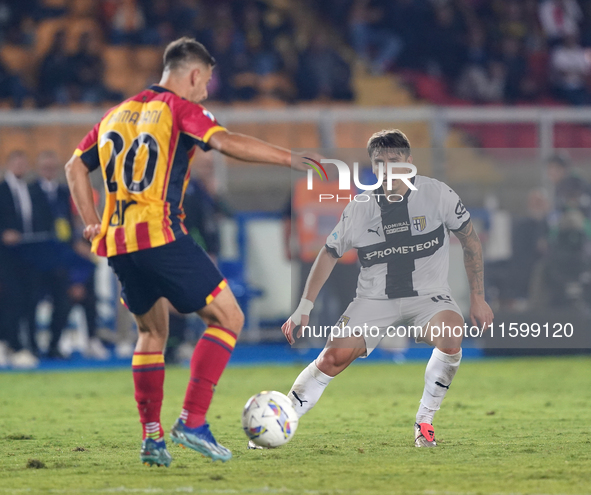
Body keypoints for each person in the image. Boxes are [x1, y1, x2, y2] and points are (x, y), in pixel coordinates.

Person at [65, 37, 305, 467]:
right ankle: (192, 421)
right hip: (160, 235)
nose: (206, 91)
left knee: (151, 333)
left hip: (119, 244)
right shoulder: (179, 108)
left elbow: (74, 168)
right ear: (193, 74)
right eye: (206, 81)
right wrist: (290, 158)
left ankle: (152, 439)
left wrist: (92, 220)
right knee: (229, 317)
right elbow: (226, 141)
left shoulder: (114, 115)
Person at [278, 129, 494, 448]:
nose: (387, 168)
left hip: (428, 297)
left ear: (409, 162)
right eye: (379, 162)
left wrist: (478, 297)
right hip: (375, 298)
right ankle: (279, 421)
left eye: (394, 160)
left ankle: (424, 421)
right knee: (332, 359)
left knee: (451, 333)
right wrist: (303, 307)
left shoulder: (438, 194)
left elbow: (470, 240)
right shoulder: (360, 207)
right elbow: (329, 253)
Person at [0, 151, 39, 368]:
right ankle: (10, 344)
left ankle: (25, 345)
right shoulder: (1, 190)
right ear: (9, 164)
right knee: (10, 301)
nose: (20, 166)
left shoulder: (32, 190)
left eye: (23, 162)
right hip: (5, 257)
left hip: (29, 256)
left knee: (28, 301)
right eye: (16, 162)